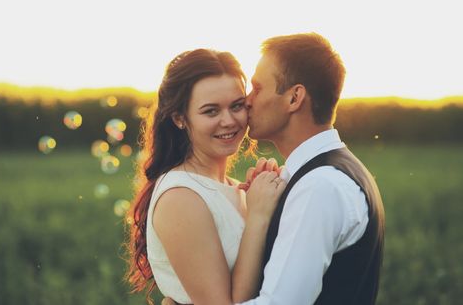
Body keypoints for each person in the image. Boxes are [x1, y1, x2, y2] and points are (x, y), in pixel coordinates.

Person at [163, 32, 385, 305]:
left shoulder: (319, 187)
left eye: (257, 88)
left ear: (294, 98)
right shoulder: (327, 174)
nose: (248, 100)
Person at [125, 48, 287, 304]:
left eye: (236, 106)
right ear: (180, 118)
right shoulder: (180, 197)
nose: (229, 121)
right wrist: (258, 216)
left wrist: (266, 200)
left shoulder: (236, 189)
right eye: (211, 111)